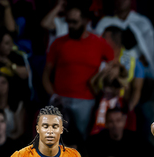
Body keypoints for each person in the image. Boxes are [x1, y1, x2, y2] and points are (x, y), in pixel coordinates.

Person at [43, 2, 114, 140]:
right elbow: (46, 74)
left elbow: (114, 64)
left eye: (74, 22)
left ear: (86, 21)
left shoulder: (99, 43)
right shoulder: (58, 43)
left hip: (86, 102)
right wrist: (53, 96)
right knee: (54, 140)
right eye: (68, 22)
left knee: (82, 140)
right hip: (60, 100)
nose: (70, 26)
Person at [94, 0, 154, 80]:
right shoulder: (104, 22)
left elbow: (148, 54)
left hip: (136, 67)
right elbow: (97, 48)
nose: (121, 1)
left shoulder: (142, 22)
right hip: (110, 65)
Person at [102, 26, 144, 113]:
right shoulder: (100, 58)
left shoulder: (133, 61)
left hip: (122, 107)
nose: (101, 39)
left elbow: (137, 90)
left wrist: (128, 111)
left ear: (116, 40)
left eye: (105, 37)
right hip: (101, 105)